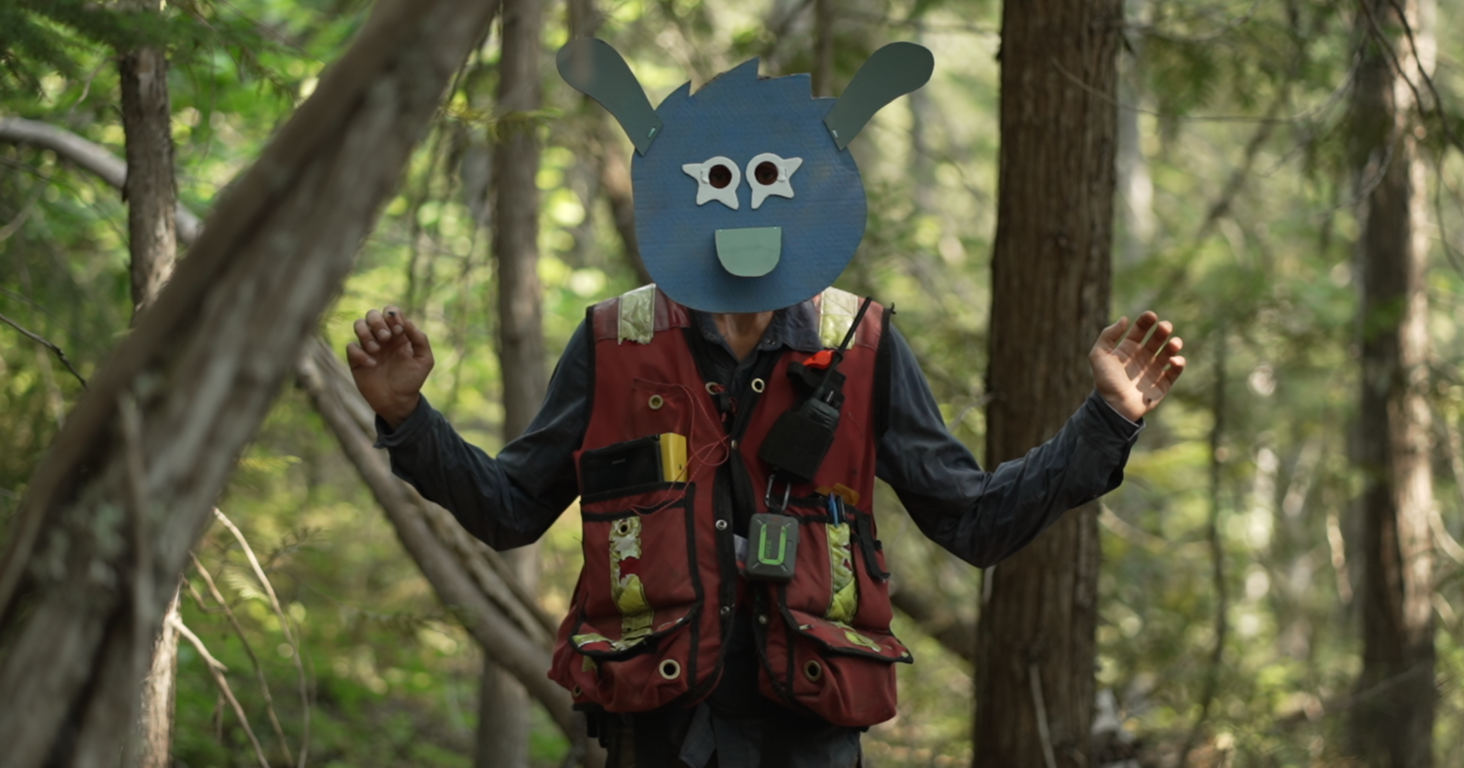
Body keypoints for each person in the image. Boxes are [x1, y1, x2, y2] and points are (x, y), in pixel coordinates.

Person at [347, 38, 1188, 768]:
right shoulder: (615, 342)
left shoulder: (861, 345)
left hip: (811, 732)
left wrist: (1105, 421)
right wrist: (406, 420)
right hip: (656, 730)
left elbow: (974, 521)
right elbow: (509, 509)